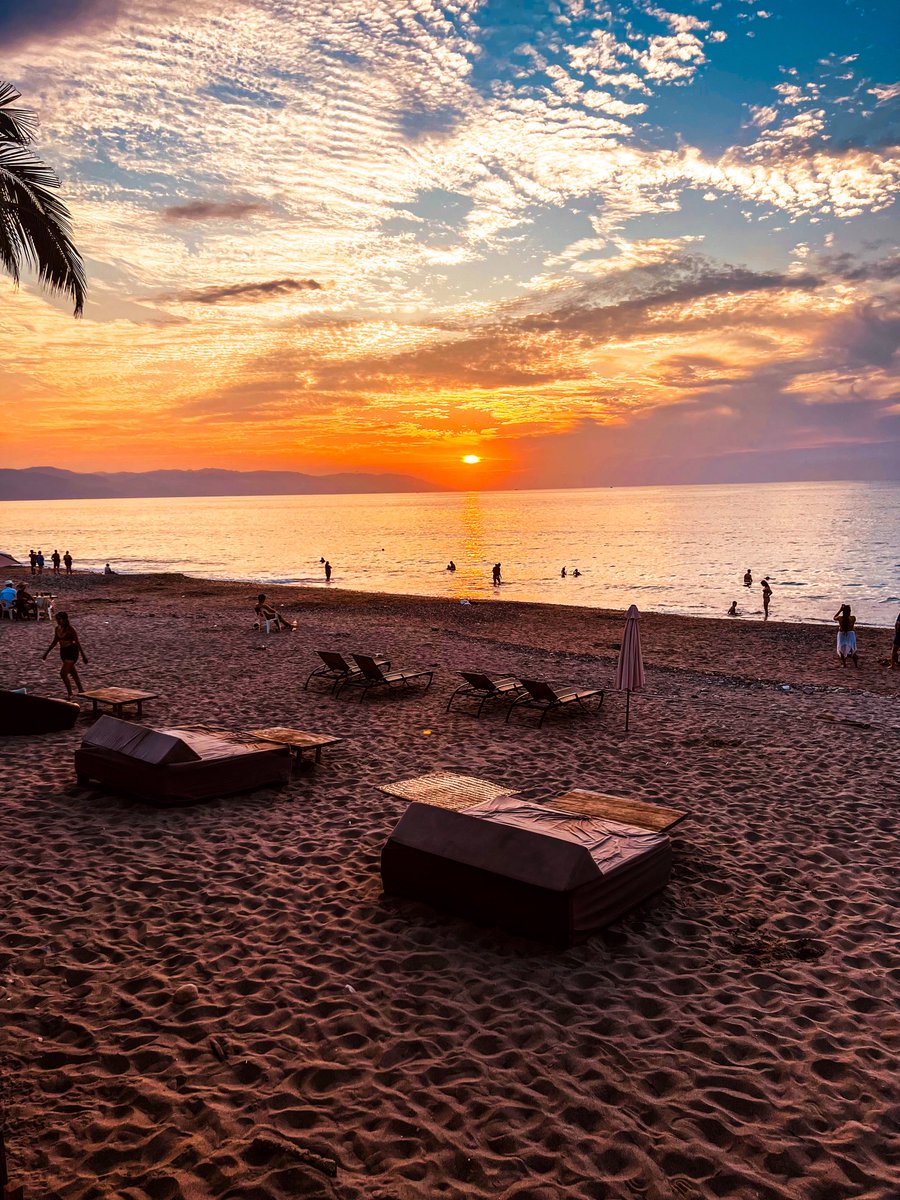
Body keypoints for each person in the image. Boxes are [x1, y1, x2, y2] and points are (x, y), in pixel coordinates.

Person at [42, 611, 87, 698]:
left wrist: (83, 656)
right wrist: (46, 652)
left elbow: (77, 643)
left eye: (60, 619)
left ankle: (70, 693)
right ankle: (81, 689)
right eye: (57, 619)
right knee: (72, 671)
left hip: (72, 651)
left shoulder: (71, 630)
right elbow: (55, 641)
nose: (58, 621)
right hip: (63, 651)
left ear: (65, 619)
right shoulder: (57, 629)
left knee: (63, 673)